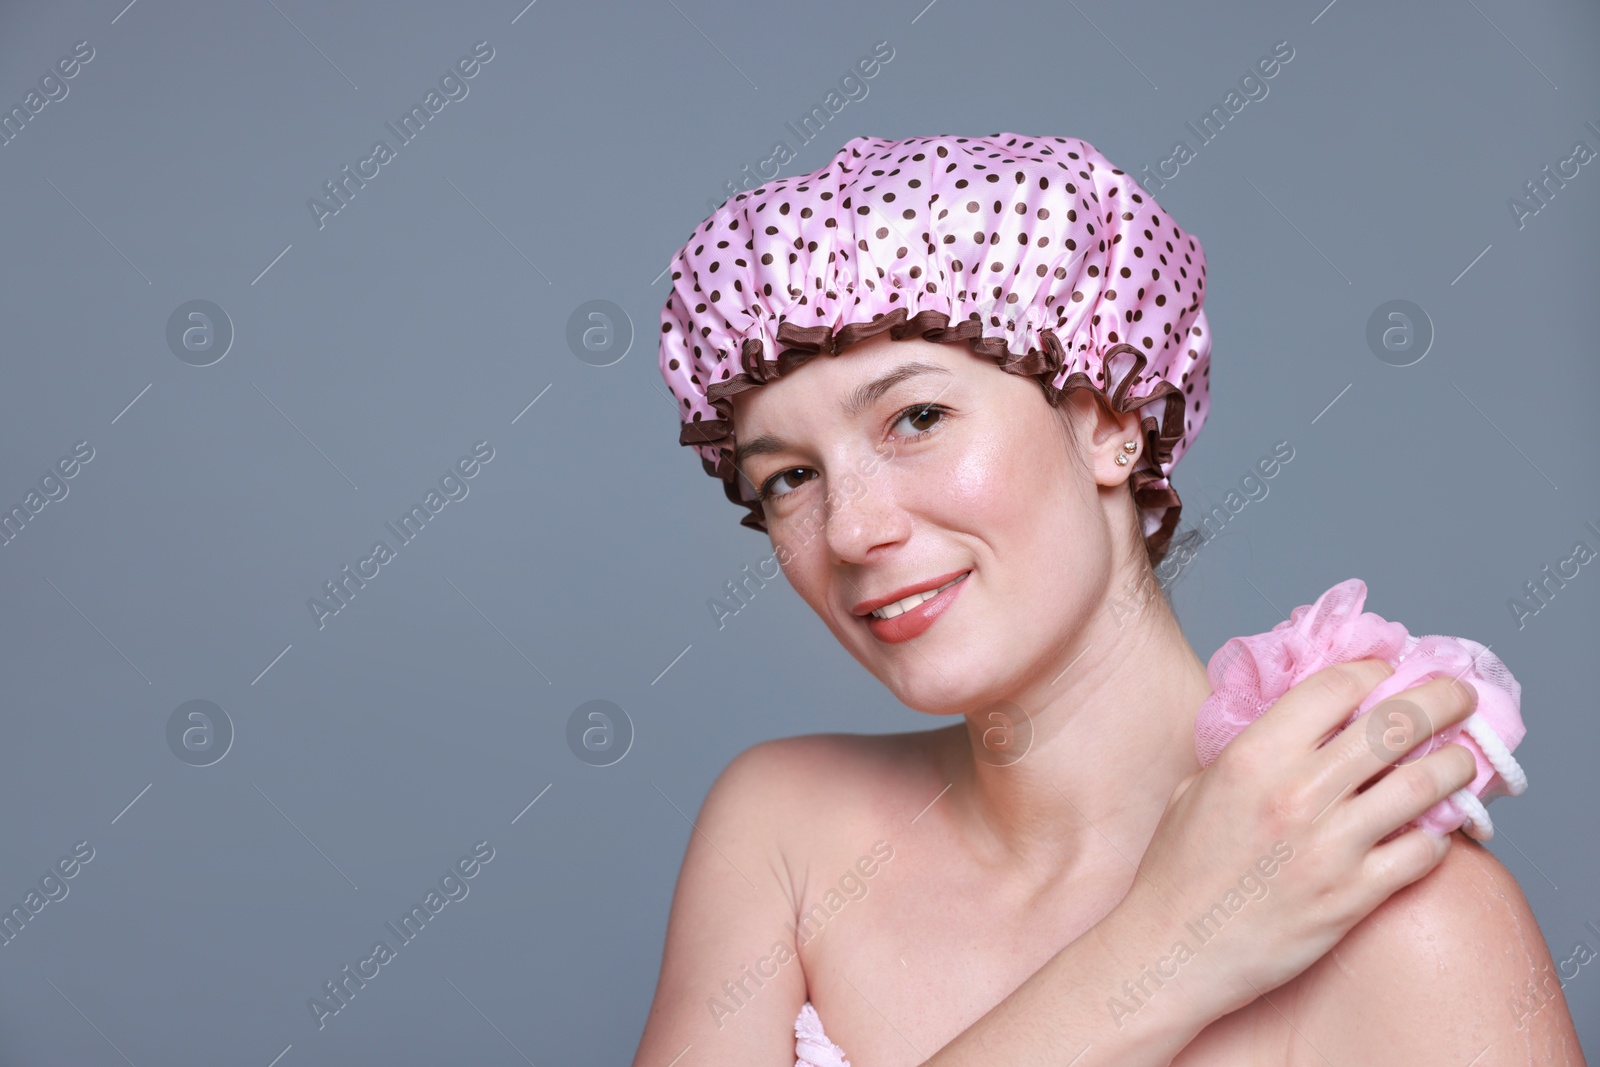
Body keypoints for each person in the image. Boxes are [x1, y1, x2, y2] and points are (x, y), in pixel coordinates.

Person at [633, 133, 1582, 1065]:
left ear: (1109, 418)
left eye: (917, 418)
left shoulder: (1405, 920)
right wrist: (1166, 951)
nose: (848, 530)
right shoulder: (785, 833)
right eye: (790, 477)